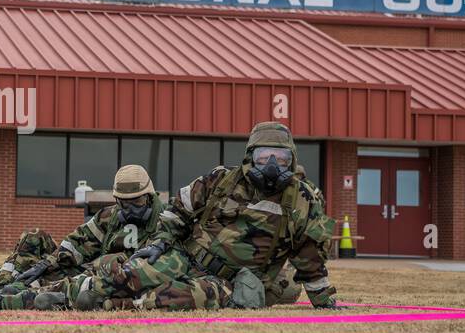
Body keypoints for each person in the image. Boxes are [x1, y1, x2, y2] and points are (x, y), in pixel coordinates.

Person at [130, 122, 337, 311]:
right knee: (124, 279)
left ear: (291, 162)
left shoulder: (303, 200)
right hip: (186, 258)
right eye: (263, 157)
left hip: (231, 284)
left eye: (282, 159)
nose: (272, 165)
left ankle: (124, 304)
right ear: (250, 157)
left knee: (160, 299)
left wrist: (323, 300)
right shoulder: (221, 179)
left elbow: (311, 257)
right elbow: (178, 210)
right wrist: (160, 243)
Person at [0, 165, 174, 310]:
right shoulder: (109, 216)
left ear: (149, 196)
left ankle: (2, 298)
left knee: (72, 282)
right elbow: (77, 243)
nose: (130, 210)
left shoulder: (168, 222)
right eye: (124, 203)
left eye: (136, 202)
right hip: (93, 270)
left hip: (118, 279)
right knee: (38, 246)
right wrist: (47, 263)